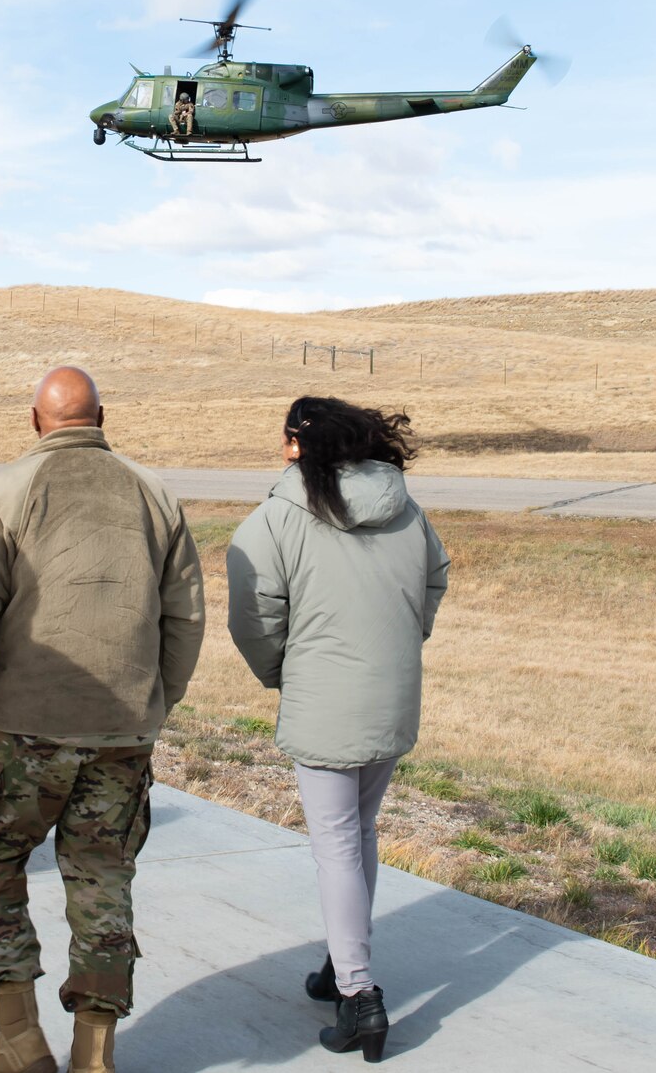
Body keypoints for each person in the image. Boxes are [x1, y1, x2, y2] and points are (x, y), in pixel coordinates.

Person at [0, 367, 206, 1073]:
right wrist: (152, 704)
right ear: (102, 417)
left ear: (34, 420)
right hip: (122, 734)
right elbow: (187, 618)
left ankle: (18, 1039)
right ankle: (94, 1054)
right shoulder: (154, 495)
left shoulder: (4, 494)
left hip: (22, 732)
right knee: (103, 879)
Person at [224, 396, 449, 1064]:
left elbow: (251, 610)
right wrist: (404, 644)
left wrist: (279, 671)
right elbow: (434, 579)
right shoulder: (405, 508)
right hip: (391, 696)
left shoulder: (277, 517)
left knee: (337, 845)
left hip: (324, 700)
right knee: (359, 834)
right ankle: (339, 961)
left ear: (299, 443)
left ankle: (359, 995)